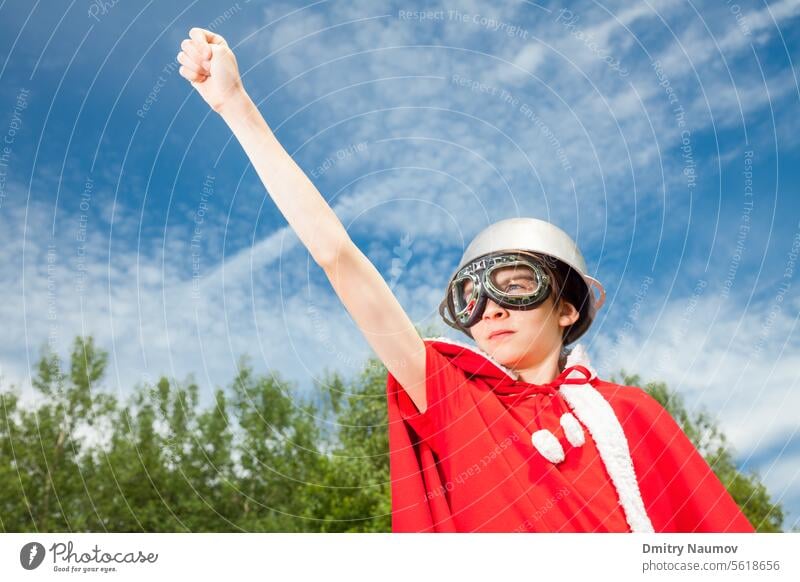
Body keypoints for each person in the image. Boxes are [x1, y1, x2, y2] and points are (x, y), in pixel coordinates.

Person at [177, 28, 756, 533]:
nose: (491, 310)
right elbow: (337, 255)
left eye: (514, 284)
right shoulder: (455, 399)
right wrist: (235, 106)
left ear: (567, 308)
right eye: (472, 298)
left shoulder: (634, 416)